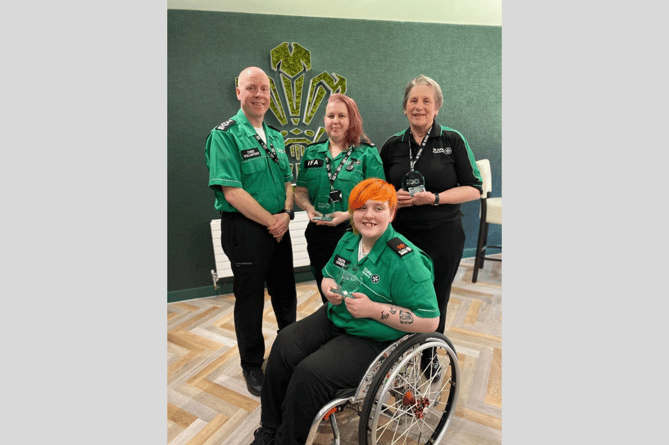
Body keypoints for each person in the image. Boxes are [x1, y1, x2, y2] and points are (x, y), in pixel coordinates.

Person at [250, 178, 440, 445]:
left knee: (310, 373)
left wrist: (373, 309)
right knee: (284, 345)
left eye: (378, 208)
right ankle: (269, 430)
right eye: (361, 208)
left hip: (373, 338)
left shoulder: (406, 261)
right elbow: (329, 274)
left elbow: (430, 321)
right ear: (353, 212)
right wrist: (328, 287)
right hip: (336, 316)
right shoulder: (349, 240)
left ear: (392, 212)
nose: (369, 215)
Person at [205, 66, 297, 397]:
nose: (259, 94)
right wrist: (272, 221)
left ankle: (290, 353)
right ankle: (252, 366)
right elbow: (232, 191)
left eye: (265, 89)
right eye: (251, 88)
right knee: (250, 300)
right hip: (245, 230)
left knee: (286, 294)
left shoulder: (275, 135)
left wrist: (286, 213)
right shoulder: (224, 135)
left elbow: (289, 181)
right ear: (238, 92)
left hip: (279, 226)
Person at [379, 74, 482, 351]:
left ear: (437, 107)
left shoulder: (453, 140)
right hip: (401, 237)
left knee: (436, 299)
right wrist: (393, 200)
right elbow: (378, 192)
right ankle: (398, 354)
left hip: (443, 235)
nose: (419, 106)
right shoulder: (392, 145)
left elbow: (474, 188)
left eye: (427, 100)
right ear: (404, 107)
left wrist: (435, 198)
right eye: (413, 100)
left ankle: (430, 353)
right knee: (401, 297)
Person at [294, 93, 385, 304]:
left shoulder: (367, 154)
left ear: (351, 120)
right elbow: (300, 192)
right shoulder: (312, 153)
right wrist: (308, 208)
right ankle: (332, 330)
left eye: (341, 116)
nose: (335, 121)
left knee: (354, 294)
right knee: (327, 292)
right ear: (324, 120)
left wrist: (346, 215)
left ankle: (354, 333)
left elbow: (379, 198)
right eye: (330, 115)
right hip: (318, 235)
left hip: (355, 234)